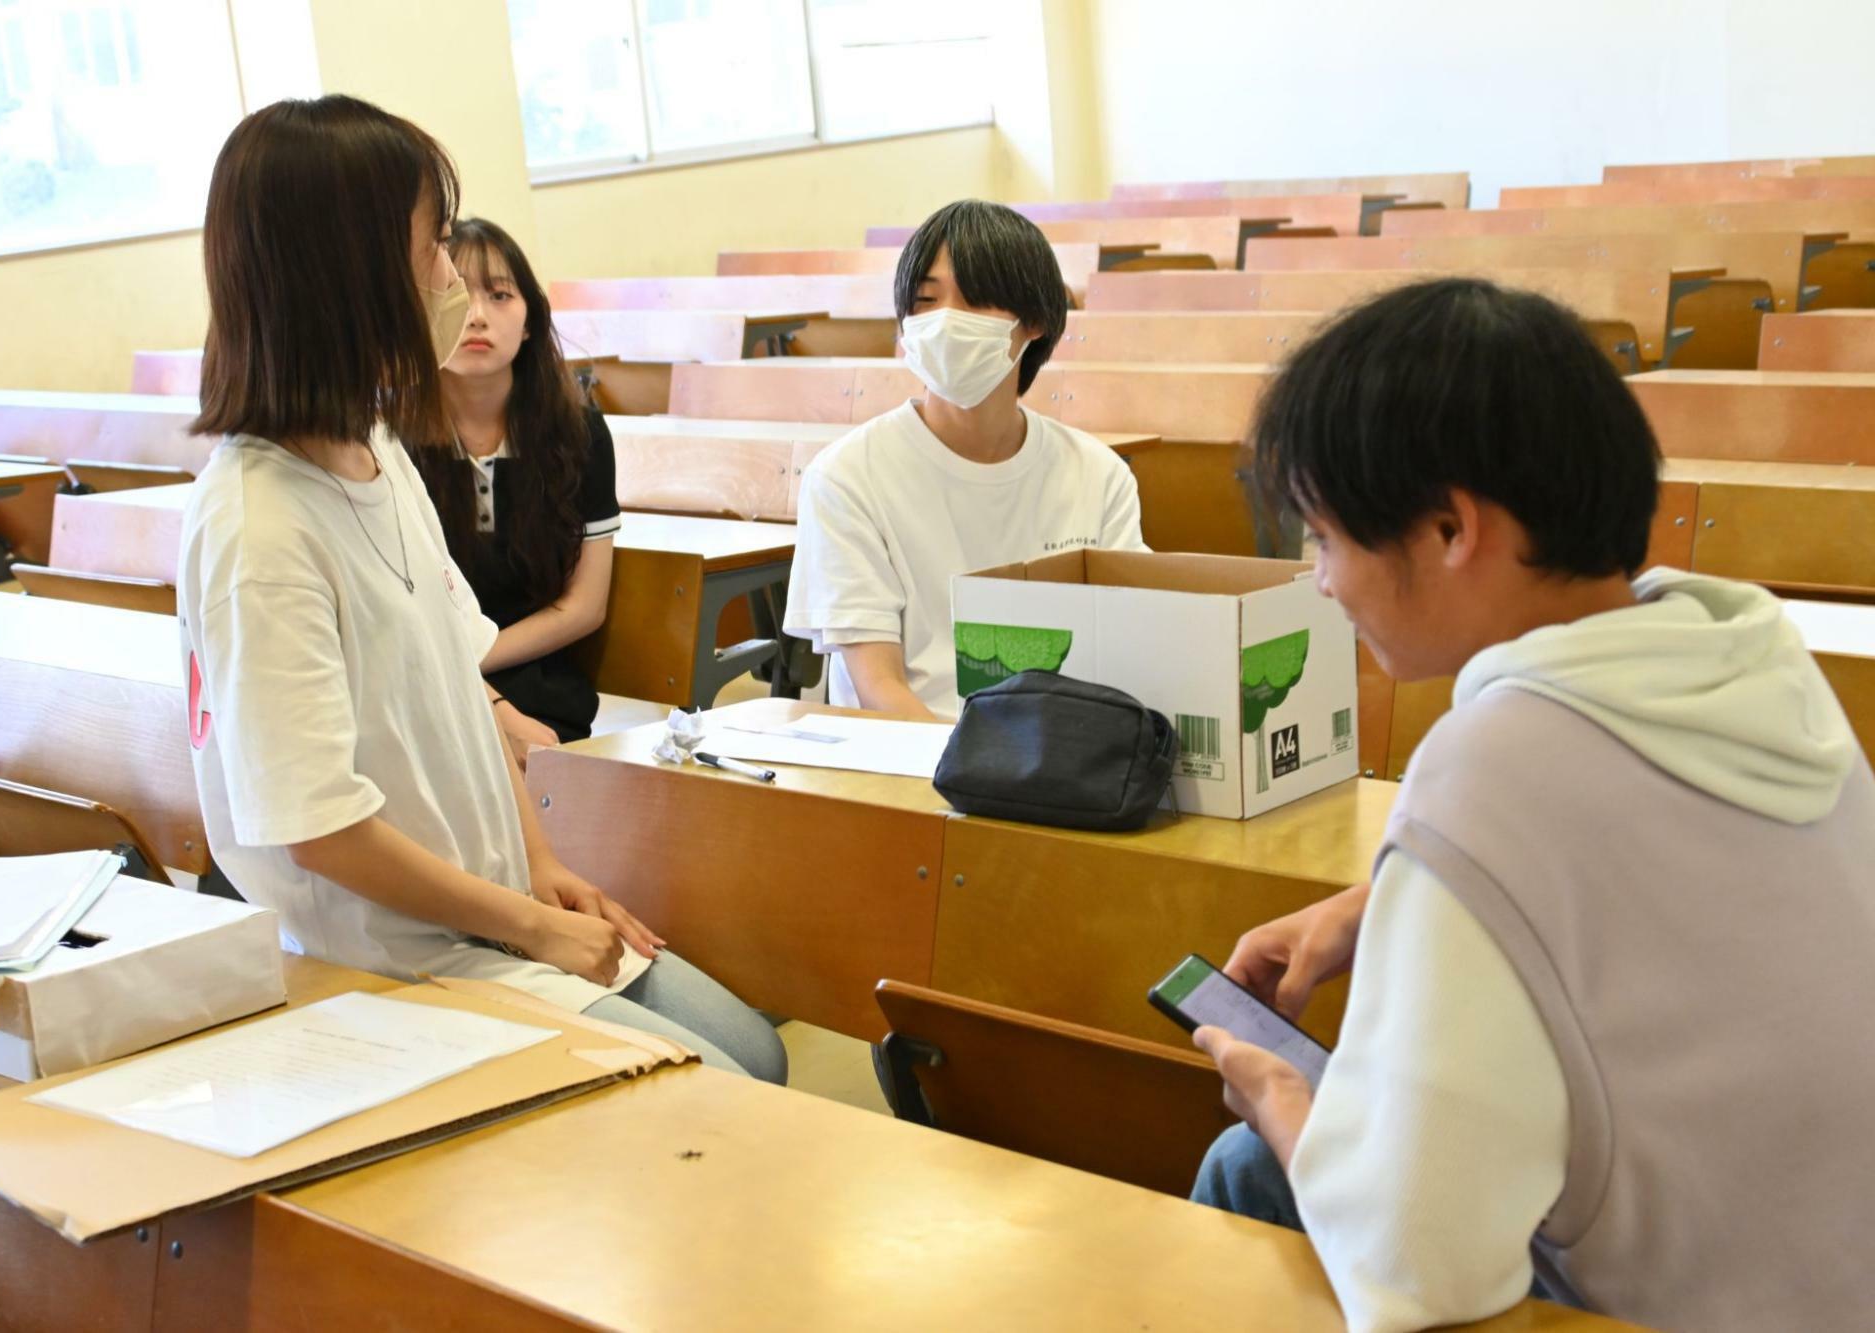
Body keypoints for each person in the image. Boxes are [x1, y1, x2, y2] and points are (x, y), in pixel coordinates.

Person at [1187, 277, 1875, 1333]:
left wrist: (1283, 1100)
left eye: (1322, 538)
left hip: (1668, 1307)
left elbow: (1418, 1275)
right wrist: (1383, 899)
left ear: (1446, 526)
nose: (1318, 581)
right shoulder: (1751, 658)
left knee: (1249, 1166)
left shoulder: (1491, 765)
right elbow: (1653, 889)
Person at [178, 95, 784, 1083]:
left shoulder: (375, 446)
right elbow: (318, 827)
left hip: (487, 907)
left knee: (756, 1050)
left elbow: (467, 690)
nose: (454, 281)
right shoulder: (261, 523)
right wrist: (529, 926)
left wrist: (538, 867)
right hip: (383, 961)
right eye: (433, 248)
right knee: (735, 1089)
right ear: (351, 274)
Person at [783, 199, 1146, 719]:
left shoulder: (1098, 474)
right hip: (910, 765)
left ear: (1035, 321)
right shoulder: (846, 478)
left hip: (1064, 758)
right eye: (925, 301)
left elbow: (1131, 649)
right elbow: (879, 688)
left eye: (975, 301)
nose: (945, 321)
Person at [404, 216, 619, 751]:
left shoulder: (579, 433)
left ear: (529, 321)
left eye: (500, 295)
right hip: (419, 695)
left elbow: (584, 606)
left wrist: (470, 659)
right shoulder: (387, 440)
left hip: (541, 691)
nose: (477, 316)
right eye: (456, 293)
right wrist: (452, 673)